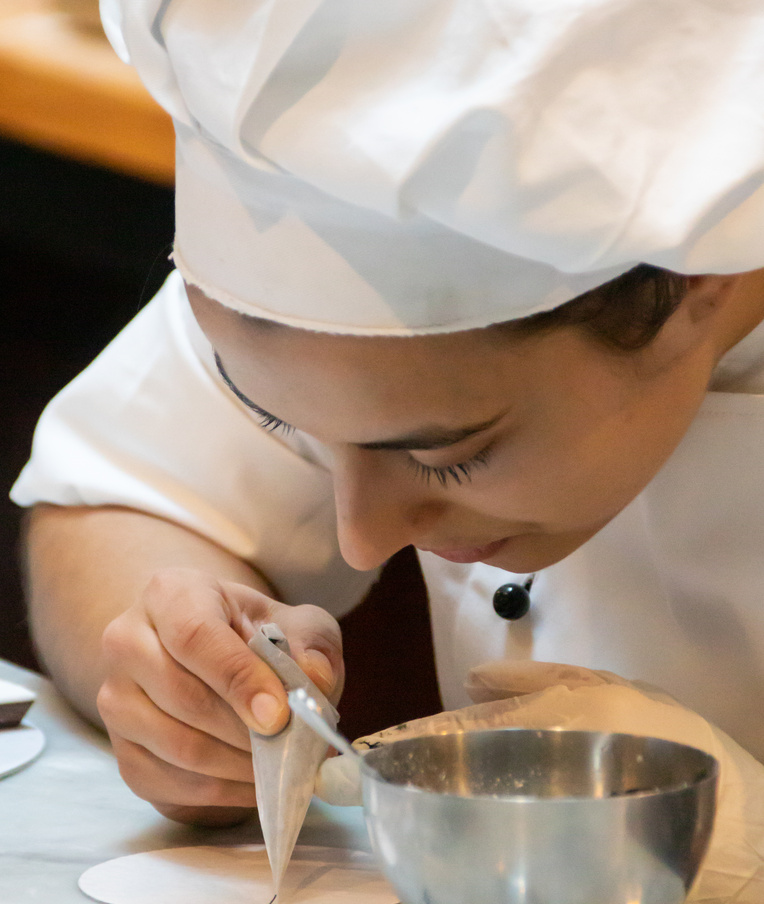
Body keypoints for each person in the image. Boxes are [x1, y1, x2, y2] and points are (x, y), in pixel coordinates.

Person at [11, 0, 764, 844]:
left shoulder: (659, 216)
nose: (362, 539)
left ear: (700, 281)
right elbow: (127, 495)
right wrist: (187, 674)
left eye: (447, 456)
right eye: (291, 426)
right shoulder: (328, 315)